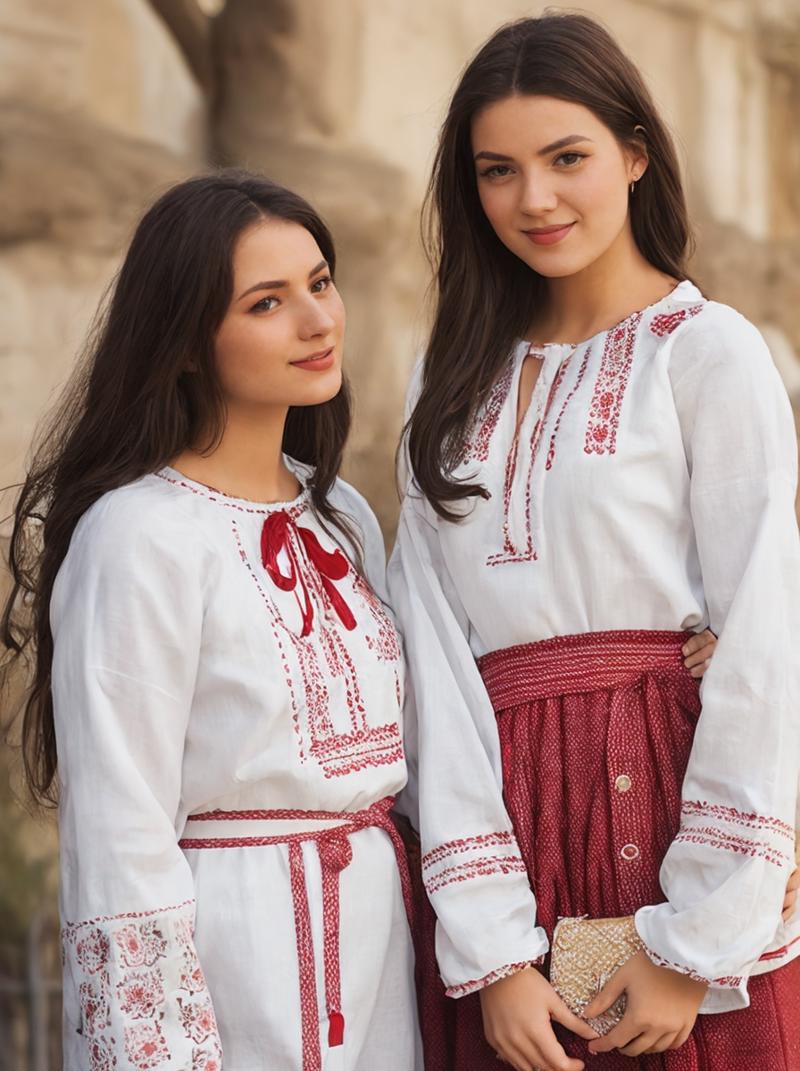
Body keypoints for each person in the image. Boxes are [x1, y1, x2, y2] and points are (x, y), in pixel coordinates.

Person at [387, 14, 800, 1071]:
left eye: (565, 158)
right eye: (496, 170)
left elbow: (760, 636)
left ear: (631, 152)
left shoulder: (706, 355)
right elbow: (428, 651)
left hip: (669, 805)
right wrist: (487, 951)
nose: (532, 199)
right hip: (498, 821)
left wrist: (696, 942)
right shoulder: (446, 383)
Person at [2, 170, 422, 1071]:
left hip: (380, 952)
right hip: (234, 963)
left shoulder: (342, 513)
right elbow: (122, 837)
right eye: (267, 302)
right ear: (188, 341)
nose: (318, 322)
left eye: (320, 282)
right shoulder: (140, 532)